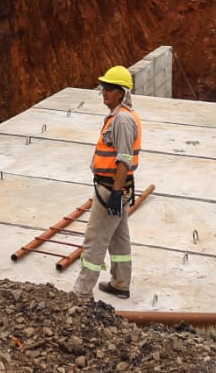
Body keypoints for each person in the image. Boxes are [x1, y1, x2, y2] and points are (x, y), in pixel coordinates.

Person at [74, 65, 142, 301]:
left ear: (121, 93)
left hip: (112, 187)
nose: (104, 92)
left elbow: (124, 159)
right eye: (103, 87)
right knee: (118, 238)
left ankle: (81, 293)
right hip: (118, 187)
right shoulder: (121, 116)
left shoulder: (122, 120)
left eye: (109, 88)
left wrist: (115, 192)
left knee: (94, 240)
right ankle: (120, 283)